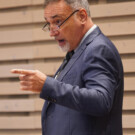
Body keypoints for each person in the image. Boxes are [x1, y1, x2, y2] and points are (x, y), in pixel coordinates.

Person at [11, 0, 124, 135]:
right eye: (49, 23)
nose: (52, 33)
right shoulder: (77, 50)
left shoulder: (98, 49)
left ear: (82, 16)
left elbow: (101, 101)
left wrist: (47, 86)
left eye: (58, 22)